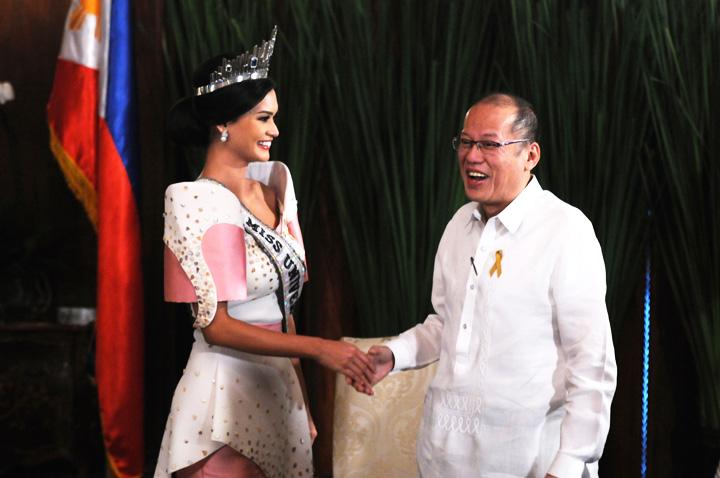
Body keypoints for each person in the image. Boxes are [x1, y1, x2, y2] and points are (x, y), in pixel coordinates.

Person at [154, 27, 374, 478]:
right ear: (223, 123)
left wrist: (304, 404)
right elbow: (217, 328)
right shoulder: (194, 200)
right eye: (262, 118)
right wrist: (320, 350)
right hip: (221, 400)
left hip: (280, 395)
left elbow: (284, 310)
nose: (275, 129)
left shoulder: (276, 186)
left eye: (274, 117)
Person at [368, 93, 617, 477]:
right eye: (466, 142)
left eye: (489, 144)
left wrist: (568, 464)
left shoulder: (566, 230)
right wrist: (393, 354)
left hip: (531, 462)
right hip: (443, 457)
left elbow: (593, 364)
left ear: (530, 155)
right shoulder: (459, 224)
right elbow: (446, 323)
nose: (472, 156)